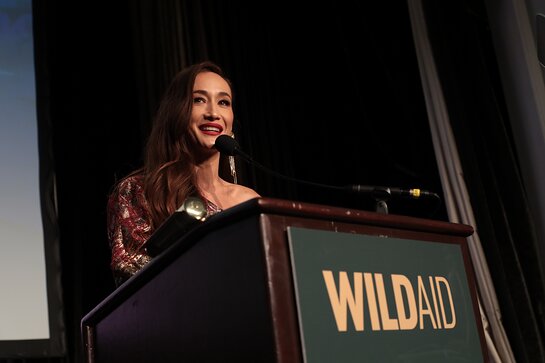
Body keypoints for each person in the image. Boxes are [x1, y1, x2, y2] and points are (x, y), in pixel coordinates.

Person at [106, 61, 261, 287]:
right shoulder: (141, 192)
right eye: (199, 100)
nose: (213, 113)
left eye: (223, 102)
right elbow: (134, 280)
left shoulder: (250, 201)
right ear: (176, 112)